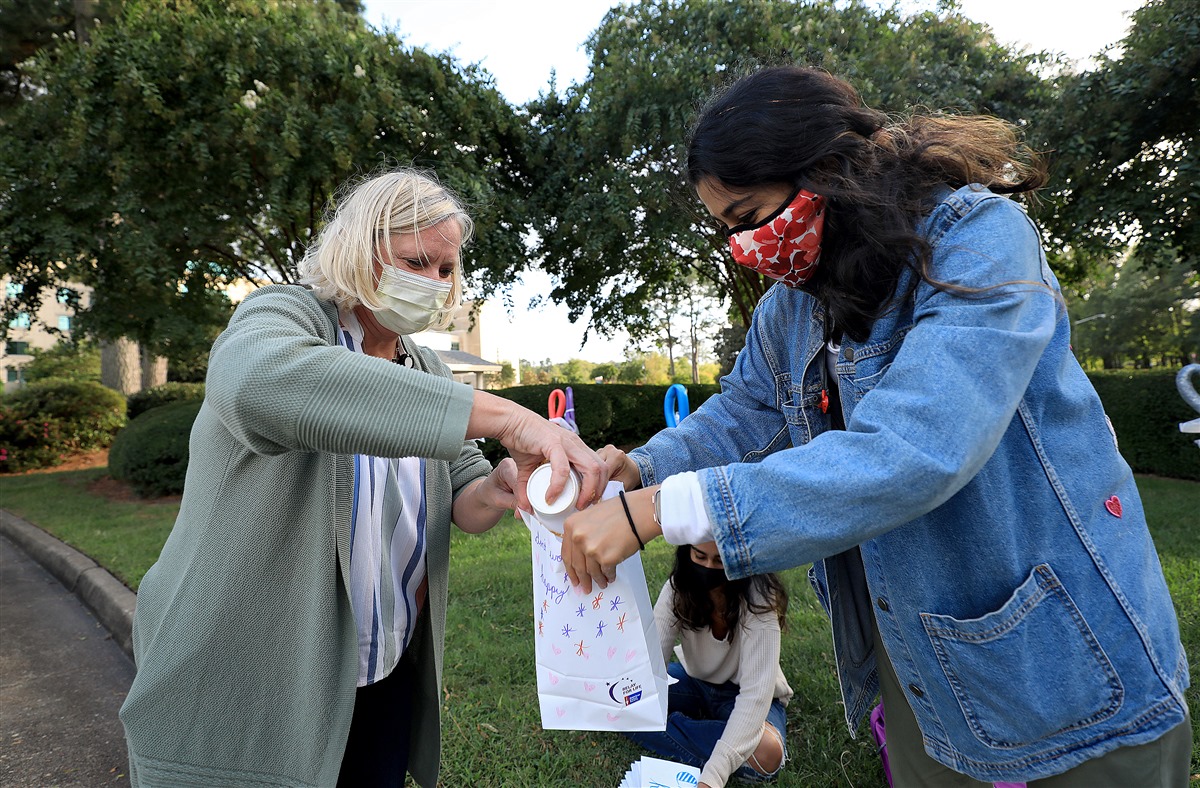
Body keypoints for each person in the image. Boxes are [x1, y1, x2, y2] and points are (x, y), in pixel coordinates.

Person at [562, 66, 1192, 786]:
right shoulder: (792, 304)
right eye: (727, 230)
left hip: (1058, 662)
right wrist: (637, 469)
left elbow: (917, 446)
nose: (744, 248)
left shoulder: (977, 238)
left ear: (829, 169)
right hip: (920, 657)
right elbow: (744, 412)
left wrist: (658, 512)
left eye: (748, 215)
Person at [119, 167, 606, 788]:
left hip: (383, 665)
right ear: (356, 249)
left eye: (445, 269)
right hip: (258, 664)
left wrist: (501, 484)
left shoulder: (424, 366)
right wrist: (510, 419)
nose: (432, 283)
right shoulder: (283, 315)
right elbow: (256, 385)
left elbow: (460, 494)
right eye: (415, 261)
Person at [628, 542, 792, 787]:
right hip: (695, 681)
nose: (707, 567)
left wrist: (713, 776)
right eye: (700, 556)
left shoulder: (759, 599)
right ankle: (706, 733)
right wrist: (634, 700)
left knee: (767, 754)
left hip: (747, 695)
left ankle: (664, 726)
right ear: (688, 552)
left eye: (719, 561)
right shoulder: (679, 587)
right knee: (625, 702)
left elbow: (755, 696)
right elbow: (651, 662)